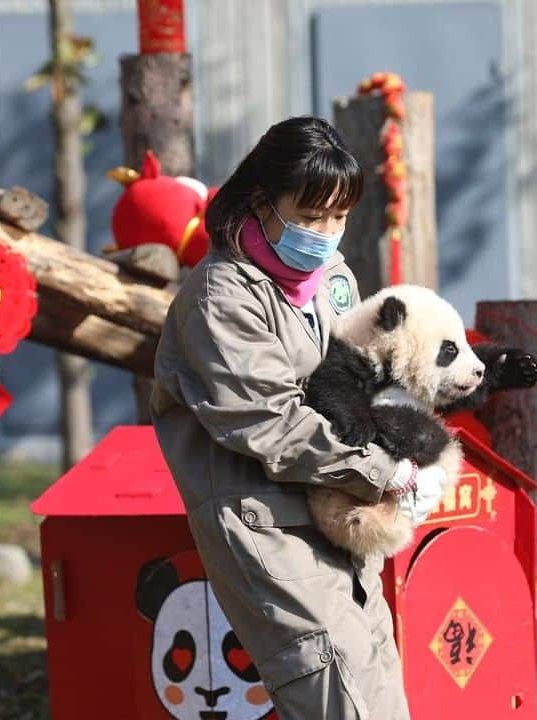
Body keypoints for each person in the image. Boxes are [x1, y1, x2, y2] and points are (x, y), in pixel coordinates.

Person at [150, 116, 445, 720]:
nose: (327, 234)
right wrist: (379, 470)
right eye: (311, 217)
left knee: (382, 693)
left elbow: (358, 376)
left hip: (341, 520)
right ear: (261, 201)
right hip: (268, 530)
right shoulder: (222, 297)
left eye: (339, 217)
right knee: (340, 699)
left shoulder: (332, 278)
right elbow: (268, 421)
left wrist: (413, 450)